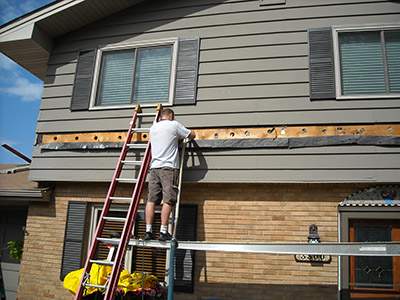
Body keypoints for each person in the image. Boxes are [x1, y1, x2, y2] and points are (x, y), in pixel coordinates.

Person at [144, 108, 196, 241]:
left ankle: (148, 231)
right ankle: (163, 231)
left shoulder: (153, 127)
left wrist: (175, 139)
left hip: (154, 167)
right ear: (171, 115)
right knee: (168, 199)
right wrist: (186, 136)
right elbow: (191, 135)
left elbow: (165, 140)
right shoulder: (174, 125)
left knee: (151, 200)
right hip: (169, 168)